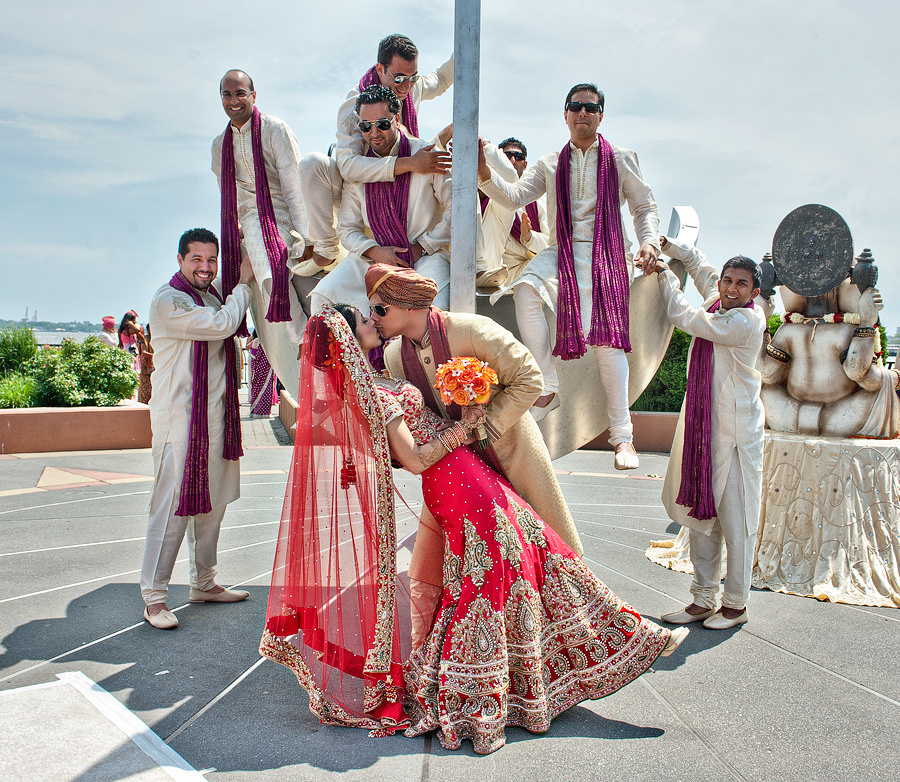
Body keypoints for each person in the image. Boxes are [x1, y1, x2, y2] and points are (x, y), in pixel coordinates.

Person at [260, 301, 686, 754]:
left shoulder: (367, 387)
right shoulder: (372, 396)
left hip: (466, 476)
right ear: (345, 341)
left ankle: (631, 639)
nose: (373, 322)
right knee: (492, 576)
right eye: (365, 321)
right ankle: (477, 697)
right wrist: (467, 427)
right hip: (453, 482)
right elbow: (416, 458)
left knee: (534, 551)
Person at [367, 263, 585, 644]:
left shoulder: (470, 329)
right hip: (459, 476)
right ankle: (493, 654)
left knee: (547, 546)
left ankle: (580, 640)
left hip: (512, 453)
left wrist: (485, 427)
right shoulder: (393, 357)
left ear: (410, 306)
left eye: (380, 309)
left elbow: (530, 378)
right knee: (471, 569)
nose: (374, 318)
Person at [477, 83, 660, 468]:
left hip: (607, 254)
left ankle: (622, 438)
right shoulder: (550, 163)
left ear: (600, 116)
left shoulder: (622, 159)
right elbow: (512, 197)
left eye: (590, 108)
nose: (582, 113)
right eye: (575, 107)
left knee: (606, 343)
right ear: (564, 114)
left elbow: (644, 207)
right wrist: (484, 176)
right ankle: (548, 385)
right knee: (525, 289)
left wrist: (649, 243)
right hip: (561, 252)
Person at [644, 238, 767, 629]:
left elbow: (686, 317)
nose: (730, 288)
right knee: (701, 516)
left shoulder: (743, 320)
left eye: (741, 284)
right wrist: (674, 246)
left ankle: (735, 605)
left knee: (735, 521)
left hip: (735, 435)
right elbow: (702, 268)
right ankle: (702, 599)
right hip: (703, 430)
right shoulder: (723, 302)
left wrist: (665, 274)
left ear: (755, 292)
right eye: (728, 281)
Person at [139, 228, 255, 630]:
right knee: (171, 509)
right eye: (196, 260)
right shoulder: (169, 301)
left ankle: (203, 582)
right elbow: (222, 323)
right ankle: (154, 599)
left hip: (216, 419)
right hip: (180, 421)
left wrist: (246, 233)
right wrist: (242, 285)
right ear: (180, 260)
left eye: (211, 260)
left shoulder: (208, 293)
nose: (205, 268)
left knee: (213, 504)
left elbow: (241, 265)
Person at [298, 34, 453, 268]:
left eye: (413, 78)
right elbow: (349, 166)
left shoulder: (410, 86)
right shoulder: (355, 105)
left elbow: (441, 78)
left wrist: (469, 43)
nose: (406, 86)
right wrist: (409, 163)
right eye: (399, 77)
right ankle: (327, 246)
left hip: (405, 185)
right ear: (380, 69)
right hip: (361, 188)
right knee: (312, 163)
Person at [310, 86, 452, 314]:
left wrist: (423, 246)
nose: (374, 133)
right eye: (366, 126)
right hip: (374, 259)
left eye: (383, 124)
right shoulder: (360, 169)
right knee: (323, 297)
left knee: (433, 310)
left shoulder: (426, 155)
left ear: (397, 119)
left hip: (426, 256)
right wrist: (375, 251)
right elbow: (347, 228)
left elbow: (456, 211)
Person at [211, 69, 310, 365]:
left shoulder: (274, 129)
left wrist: (306, 235)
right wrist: (239, 234)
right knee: (267, 270)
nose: (234, 101)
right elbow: (228, 198)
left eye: (240, 93)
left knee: (290, 259)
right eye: (227, 94)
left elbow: (294, 186)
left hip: (284, 209)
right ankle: (303, 337)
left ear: (254, 95)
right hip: (253, 217)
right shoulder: (219, 146)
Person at [478, 137, 550, 291]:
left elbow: (552, 245)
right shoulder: (484, 192)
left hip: (524, 269)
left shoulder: (539, 200)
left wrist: (529, 238)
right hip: (493, 269)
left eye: (518, 157)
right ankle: (487, 273)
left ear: (525, 165)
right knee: (499, 199)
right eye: (506, 156)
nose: (512, 160)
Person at [247, 330, 276, 418]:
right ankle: (264, 413)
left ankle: (254, 411)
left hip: (255, 371)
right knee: (266, 391)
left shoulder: (254, 342)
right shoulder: (264, 343)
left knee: (256, 390)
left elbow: (253, 356)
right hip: (265, 370)